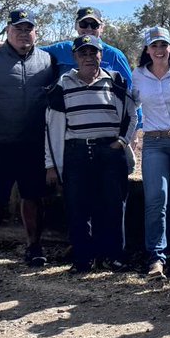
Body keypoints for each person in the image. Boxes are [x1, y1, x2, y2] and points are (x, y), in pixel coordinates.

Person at [0, 8, 59, 269]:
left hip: (35, 145)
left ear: (36, 33)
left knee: (34, 197)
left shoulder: (48, 60)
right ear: (8, 31)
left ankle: (34, 247)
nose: (23, 34)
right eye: (18, 29)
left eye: (28, 29)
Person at [44, 35, 138, 273]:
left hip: (110, 152)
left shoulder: (115, 81)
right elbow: (52, 127)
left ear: (100, 55)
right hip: (76, 152)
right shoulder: (62, 85)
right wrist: (51, 164)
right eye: (83, 53)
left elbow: (131, 114)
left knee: (114, 207)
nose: (88, 58)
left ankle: (114, 256)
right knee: (78, 207)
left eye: (93, 53)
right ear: (75, 57)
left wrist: (122, 141)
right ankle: (83, 259)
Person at [133, 26, 170, 280]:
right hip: (155, 142)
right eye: (154, 46)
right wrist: (128, 139)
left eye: (163, 45)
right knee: (156, 198)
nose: (159, 50)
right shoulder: (138, 75)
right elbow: (130, 107)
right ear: (147, 50)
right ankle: (156, 257)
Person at [0, 6, 133, 86]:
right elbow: (28, 50)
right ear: (76, 26)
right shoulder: (60, 49)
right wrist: (4, 44)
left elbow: (131, 91)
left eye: (94, 24)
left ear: (102, 27)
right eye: (83, 24)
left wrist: (134, 132)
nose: (88, 28)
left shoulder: (115, 55)